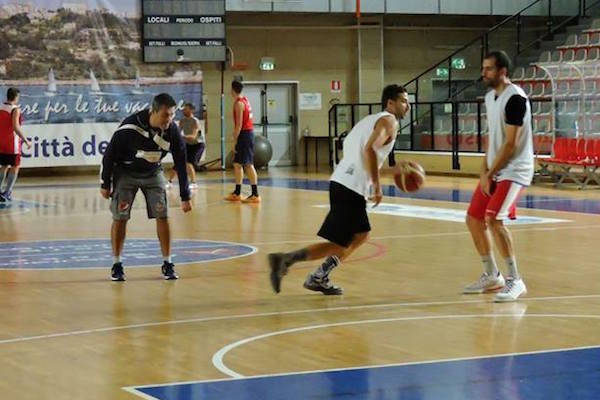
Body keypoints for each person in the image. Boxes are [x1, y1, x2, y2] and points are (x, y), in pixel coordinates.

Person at [268, 84, 411, 295]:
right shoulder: (390, 121)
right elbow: (370, 149)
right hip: (350, 187)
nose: (407, 106)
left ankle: (315, 274)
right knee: (341, 244)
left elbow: (363, 156)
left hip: (341, 182)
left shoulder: (368, 121)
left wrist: (390, 170)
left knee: (360, 235)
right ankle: (288, 261)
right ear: (390, 103)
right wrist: (378, 187)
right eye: (404, 101)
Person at [464, 50, 534, 302]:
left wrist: (491, 173)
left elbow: (511, 145)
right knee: (473, 218)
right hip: (495, 169)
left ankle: (516, 280)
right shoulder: (490, 97)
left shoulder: (515, 99)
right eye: (483, 68)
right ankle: (492, 275)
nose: (483, 73)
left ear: (503, 71)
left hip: (515, 169)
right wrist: (484, 172)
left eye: (489, 69)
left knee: (494, 219)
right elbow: (494, 141)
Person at [100, 93, 192, 281]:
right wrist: (105, 183)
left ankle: (167, 262)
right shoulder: (129, 128)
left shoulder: (172, 131)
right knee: (120, 217)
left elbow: (181, 162)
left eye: (173, 115)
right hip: (126, 173)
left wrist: (185, 195)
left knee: (163, 215)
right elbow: (109, 155)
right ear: (154, 111)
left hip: (153, 173)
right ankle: (117, 264)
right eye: (166, 115)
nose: (170, 119)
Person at [224, 80, 260, 203]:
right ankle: (237, 192)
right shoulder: (245, 100)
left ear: (232, 90)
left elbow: (239, 124)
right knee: (237, 164)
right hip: (247, 133)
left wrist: (234, 139)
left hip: (245, 134)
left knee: (248, 165)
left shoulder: (238, 103)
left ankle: (255, 194)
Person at [0, 87, 31, 202]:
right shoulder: (15, 109)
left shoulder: (1, 107)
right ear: (16, 97)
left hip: (1, 142)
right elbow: (15, 127)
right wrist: (26, 140)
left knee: (3, 166)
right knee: (15, 166)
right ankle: (7, 192)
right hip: (11, 143)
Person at [168, 102, 205, 189]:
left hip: (197, 145)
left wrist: (181, 137)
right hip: (187, 144)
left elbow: (193, 137)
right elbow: (178, 132)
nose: (184, 110)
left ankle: (194, 182)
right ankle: (169, 182)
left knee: (189, 162)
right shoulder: (182, 121)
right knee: (178, 162)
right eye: (184, 108)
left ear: (191, 110)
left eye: (186, 108)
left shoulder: (195, 121)